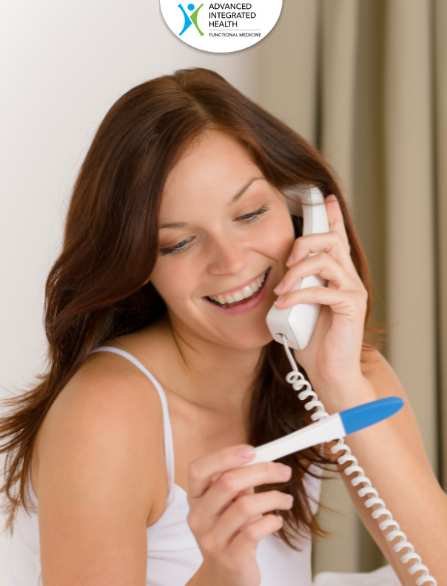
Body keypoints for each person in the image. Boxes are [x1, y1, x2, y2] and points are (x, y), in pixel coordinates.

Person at [0, 67, 445, 586]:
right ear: (140, 264)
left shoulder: (334, 365)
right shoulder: (106, 412)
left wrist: (340, 382)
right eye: (179, 243)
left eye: (251, 213)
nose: (231, 262)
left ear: (302, 211)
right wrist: (219, 574)